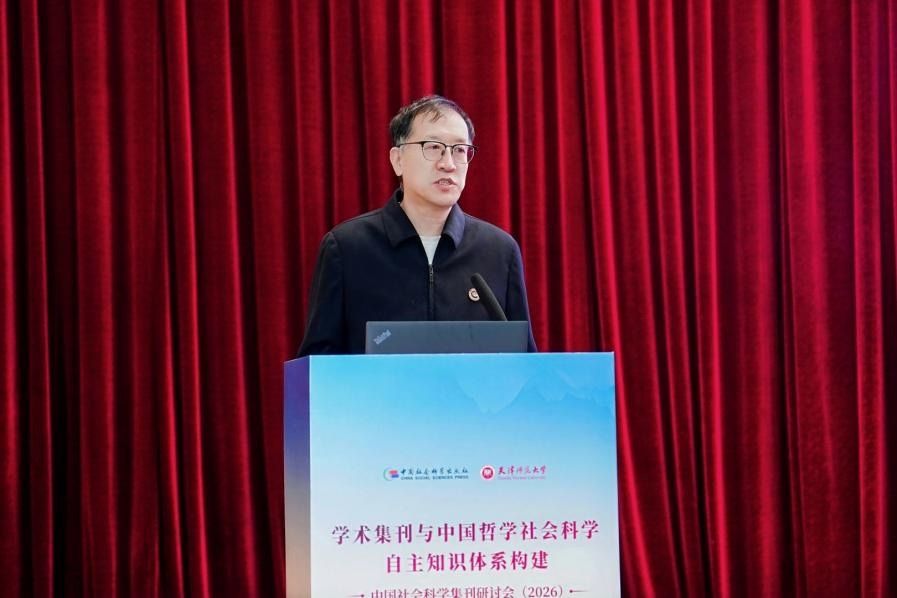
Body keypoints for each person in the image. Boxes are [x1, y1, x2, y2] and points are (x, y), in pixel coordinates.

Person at [297, 95, 537, 356]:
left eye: (459, 150)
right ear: (397, 160)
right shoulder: (347, 248)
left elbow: (524, 360)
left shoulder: (498, 251)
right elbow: (318, 364)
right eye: (433, 147)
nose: (448, 164)